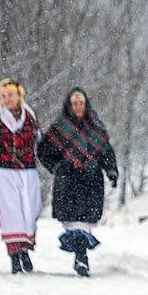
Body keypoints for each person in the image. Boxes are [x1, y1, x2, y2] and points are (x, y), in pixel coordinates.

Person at [37, 87, 118, 277]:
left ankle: (81, 257)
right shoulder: (59, 128)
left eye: (81, 102)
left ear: (86, 104)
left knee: (85, 221)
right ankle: (80, 257)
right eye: (74, 103)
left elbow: (106, 152)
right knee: (73, 221)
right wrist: (57, 166)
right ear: (69, 105)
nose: (78, 106)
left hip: (91, 180)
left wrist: (112, 171)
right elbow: (44, 151)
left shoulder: (96, 127)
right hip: (68, 181)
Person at [0, 79, 42, 275]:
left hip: (28, 173)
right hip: (5, 173)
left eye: (10, 94)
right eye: (3, 96)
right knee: (11, 215)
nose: (7, 99)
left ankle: (25, 251)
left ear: (19, 95)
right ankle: (14, 257)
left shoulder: (30, 118)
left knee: (28, 213)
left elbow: (40, 145)